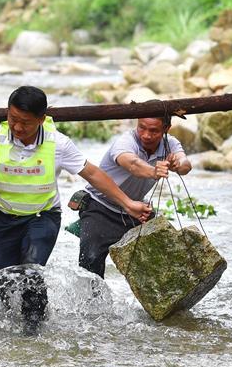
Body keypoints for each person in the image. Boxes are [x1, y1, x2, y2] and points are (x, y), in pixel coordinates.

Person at [0, 86, 152, 333]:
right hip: (2, 218)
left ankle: (34, 330)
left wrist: (128, 203)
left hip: (42, 217)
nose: (18, 128)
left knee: (31, 271)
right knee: (3, 277)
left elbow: (93, 174)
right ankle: (9, 325)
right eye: (13, 120)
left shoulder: (58, 144)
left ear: (42, 120)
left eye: (26, 123)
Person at [78, 116, 192, 278]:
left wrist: (178, 165)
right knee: (90, 262)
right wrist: (153, 171)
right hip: (100, 206)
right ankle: (91, 302)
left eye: (153, 131)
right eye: (142, 128)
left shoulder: (170, 143)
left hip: (136, 211)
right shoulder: (126, 142)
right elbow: (132, 164)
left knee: (162, 260)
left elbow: (185, 163)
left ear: (166, 129)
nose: (146, 135)